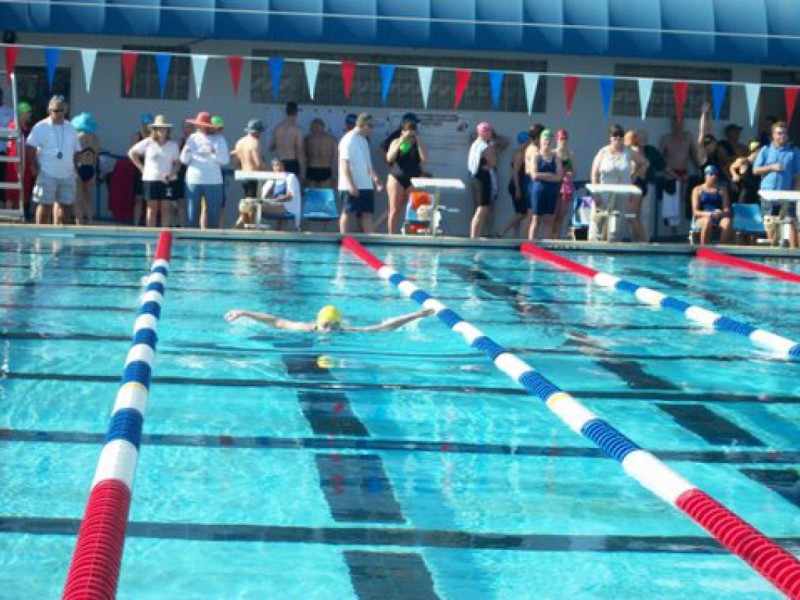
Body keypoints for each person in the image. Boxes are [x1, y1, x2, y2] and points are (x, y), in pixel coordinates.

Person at [26, 95, 81, 226]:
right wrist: (34, 165)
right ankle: (41, 234)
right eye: (56, 110)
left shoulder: (70, 127)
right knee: (44, 204)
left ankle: (59, 237)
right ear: (49, 111)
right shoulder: (41, 127)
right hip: (47, 171)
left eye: (62, 110)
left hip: (67, 173)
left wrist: (75, 168)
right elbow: (30, 146)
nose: (60, 113)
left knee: (66, 206)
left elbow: (77, 149)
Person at [589, 124, 648, 242]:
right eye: (614, 135)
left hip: (622, 194)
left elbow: (645, 163)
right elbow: (594, 172)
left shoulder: (628, 152)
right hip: (603, 193)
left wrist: (633, 176)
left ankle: (613, 251)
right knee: (597, 224)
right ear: (610, 138)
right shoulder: (603, 152)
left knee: (615, 228)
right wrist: (595, 193)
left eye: (620, 135)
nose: (617, 138)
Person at [127, 114, 180, 228]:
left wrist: (171, 173)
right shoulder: (148, 142)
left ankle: (164, 235)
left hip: (167, 180)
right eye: (159, 128)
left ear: (168, 130)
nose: (162, 130)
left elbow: (177, 163)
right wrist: (141, 167)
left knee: (166, 208)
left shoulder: (173, 145)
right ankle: (150, 237)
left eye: (164, 128)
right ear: (155, 129)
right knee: (151, 208)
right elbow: (132, 153)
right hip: (151, 179)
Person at [753, 120, 800, 247]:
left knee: (790, 220)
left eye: (784, 133)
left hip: (787, 193)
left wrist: (796, 191)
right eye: (779, 133)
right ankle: (773, 247)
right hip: (768, 193)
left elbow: (797, 175)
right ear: (773, 135)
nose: (782, 136)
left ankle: (793, 251)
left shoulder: (793, 151)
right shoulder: (766, 150)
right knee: (770, 221)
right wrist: (771, 167)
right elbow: (755, 170)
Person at [224, 304, 434, 333]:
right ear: (318, 323)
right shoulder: (307, 328)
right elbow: (276, 321)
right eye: (326, 325)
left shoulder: (345, 331)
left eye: (334, 325)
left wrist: (416, 314)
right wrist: (244, 312)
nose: (329, 331)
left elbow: (383, 327)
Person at [181, 111, 229, 229]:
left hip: (213, 182)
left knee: (213, 216)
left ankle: (212, 245)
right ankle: (191, 244)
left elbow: (225, 160)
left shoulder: (219, 139)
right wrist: (187, 152)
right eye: (198, 124)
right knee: (192, 215)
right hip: (193, 180)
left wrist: (214, 154)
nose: (198, 126)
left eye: (201, 124)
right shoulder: (192, 138)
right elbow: (183, 160)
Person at [338, 112, 383, 234]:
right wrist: (350, 185)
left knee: (367, 213)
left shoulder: (363, 141)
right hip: (351, 184)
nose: (372, 130)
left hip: (365, 184)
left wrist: (375, 178)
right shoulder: (348, 140)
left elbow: (367, 163)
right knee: (347, 211)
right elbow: (344, 164)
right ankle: (344, 238)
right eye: (371, 126)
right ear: (363, 125)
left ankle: (369, 239)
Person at [384, 114, 428, 234]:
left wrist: (417, 140)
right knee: (394, 209)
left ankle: (413, 233)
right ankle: (391, 234)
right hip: (397, 177)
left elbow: (424, 159)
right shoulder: (396, 141)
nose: (411, 134)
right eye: (408, 131)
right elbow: (389, 158)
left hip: (414, 178)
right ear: (402, 131)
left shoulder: (418, 143)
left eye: (413, 130)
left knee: (416, 209)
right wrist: (401, 141)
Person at [659, 115, 696, 232]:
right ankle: (673, 229)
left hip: (684, 171)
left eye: (680, 122)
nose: (678, 125)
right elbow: (660, 158)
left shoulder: (688, 137)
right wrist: (667, 171)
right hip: (670, 172)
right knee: (671, 202)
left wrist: (699, 169)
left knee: (684, 199)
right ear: (672, 124)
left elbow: (694, 155)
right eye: (676, 122)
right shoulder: (666, 138)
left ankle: (687, 227)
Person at [526, 129, 562, 240]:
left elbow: (559, 177)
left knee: (550, 220)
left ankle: (546, 245)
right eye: (545, 139)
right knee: (536, 219)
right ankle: (532, 244)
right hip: (538, 192)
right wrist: (551, 175)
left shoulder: (556, 157)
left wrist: (542, 175)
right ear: (541, 141)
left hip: (551, 192)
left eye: (549, 139)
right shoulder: (536, 156)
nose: (547, 142)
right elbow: (534, 175)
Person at [497, 129, 533, 238]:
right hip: (517, 185)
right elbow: (515, 173)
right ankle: (503, 230)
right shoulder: (520, 154)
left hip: (519, 185)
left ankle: (515, 236)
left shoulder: (521, 152)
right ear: (526, 141)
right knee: (522, 214)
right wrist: (517, 189)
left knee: (519, 213)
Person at [467, 121, 498, 238]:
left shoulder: (475, 144)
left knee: (481, 207)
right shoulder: (485, 146)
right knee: (482, 208)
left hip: (475, 177)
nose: (491, 133)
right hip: (483, 178)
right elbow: (493, 163)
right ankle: (474, 236)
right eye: (489, 131)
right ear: (484, 132)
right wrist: (493, 148)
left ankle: (475, 235)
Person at [5, 101, 34, 219]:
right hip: (15, 166)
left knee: (23, 193)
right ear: (22, 113)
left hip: (24, 166)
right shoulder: (14, 127)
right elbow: (13, 150)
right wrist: (18, 168)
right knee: (11, 194)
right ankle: (8, 218)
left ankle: (21, 217)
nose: (30, 115)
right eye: (28, 113)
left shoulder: (24, 129)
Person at [254, 158, 302, 230]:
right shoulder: (273, 178)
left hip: (288, 206)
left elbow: (290, 196)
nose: (277, 168)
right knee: (254, 207)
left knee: (257, 208)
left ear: (283, 166)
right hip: (277, 204)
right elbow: (263, 195)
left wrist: (275, 200)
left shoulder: (290, 177)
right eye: (275, 166)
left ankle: (252, 230)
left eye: (279, 165)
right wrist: (269, 196)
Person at [71, 112, 101, 225]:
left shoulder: (78, 137)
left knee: (78, 199)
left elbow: (73, 154)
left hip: (79, 168)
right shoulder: (95, 138)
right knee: (88, 199)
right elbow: (97, 154)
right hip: (90, 168)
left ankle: (79, 221)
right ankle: (90, 221)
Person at [691, 165, 732, 244]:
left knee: (727, 221)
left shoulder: (722, 190)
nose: (714, 176)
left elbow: (727, 209)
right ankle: (704, 247)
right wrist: (708, 214)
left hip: (718, 217)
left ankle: (721, 248)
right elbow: (695, 211)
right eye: (711, 174)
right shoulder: (697, 190)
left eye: (716, 174)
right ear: (705, 176)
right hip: (702, 218)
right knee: (707, 222)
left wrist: (721, 213)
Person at [232, 118, 268, 206]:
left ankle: (244, 218)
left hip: (244, 175)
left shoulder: (240, 142)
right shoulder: (255, 143)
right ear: (257, 132)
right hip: (254, 176)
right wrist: (270, 170)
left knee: (247, 200)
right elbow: (258, 163)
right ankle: (244, 219)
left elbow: (236, 160)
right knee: (252, 204)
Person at [269, 101, 305, 180]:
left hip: (280, 162)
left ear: (285, 112)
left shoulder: (277, 128)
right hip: (292, 162)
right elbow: (300, 151)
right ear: (296, 113)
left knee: (281, 187)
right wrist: (303, 169)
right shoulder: (297, 130)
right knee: (292, 189)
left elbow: (270, 148)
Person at [552, 128, 576, 239]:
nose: (564, 141)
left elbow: (574, 172)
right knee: (552, 215)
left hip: (565, 187)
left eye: (565, 139)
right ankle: (550, 237)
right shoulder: (553, 153)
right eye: (561, 138)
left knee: (561, 216)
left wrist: (570, 174)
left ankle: (557, 237)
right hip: (554, 186)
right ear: (557, 139)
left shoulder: (570, 154)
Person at [131, 113, 154, 226]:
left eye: (149, 124)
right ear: (142, 124)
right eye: (145, 124)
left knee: (150, 201)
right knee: (138, 199)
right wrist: (141, 167)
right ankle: (136, 224)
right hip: (140, 171)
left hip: (152, 172)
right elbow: (133, 153)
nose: (147, 126)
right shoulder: (137, 136)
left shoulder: (156, 137)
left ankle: (148, 225)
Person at [304, 118, 337, 188]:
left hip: (312, 168)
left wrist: (303, 174)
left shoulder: (307, 139)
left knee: (311, 196)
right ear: (323, 127)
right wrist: (335, 175)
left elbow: (303, 156)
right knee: (326, 196)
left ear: (312, 127)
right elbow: (335, 157)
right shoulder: (331, 139)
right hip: (326, 169)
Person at [729, 139, 762, 205]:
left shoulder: (761, 164)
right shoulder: (743, 161)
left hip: (756, 193)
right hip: (745, 193)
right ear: (756, 151)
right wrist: (734, 175)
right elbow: (731, 167)